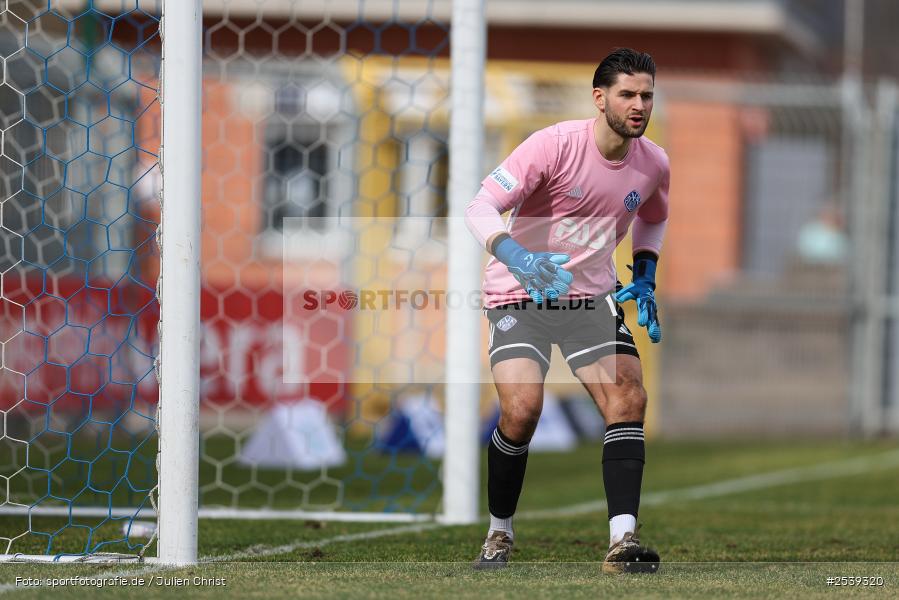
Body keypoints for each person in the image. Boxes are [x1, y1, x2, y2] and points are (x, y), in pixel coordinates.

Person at [464, 48, 669, 574]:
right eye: (628, 94)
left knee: (628, 396)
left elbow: (653, 216)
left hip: (589, 300)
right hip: (521, 292)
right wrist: (517, 255)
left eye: (646, 94)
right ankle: (499, 532)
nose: (639, 104)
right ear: (600, 99)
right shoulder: (552, 146)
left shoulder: (653, 164)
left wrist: (644, 272)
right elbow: (480, 206)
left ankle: (623, 541)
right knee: (523, 410)